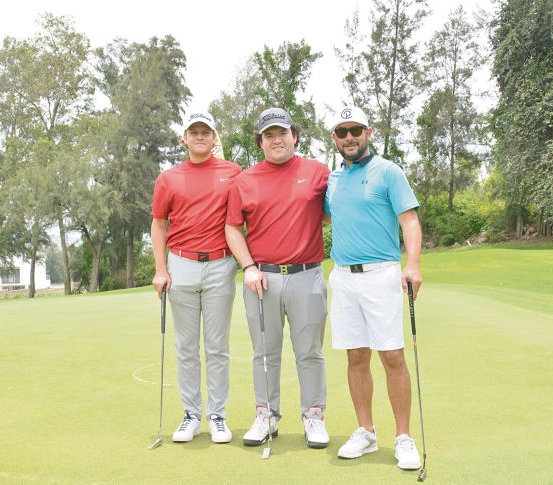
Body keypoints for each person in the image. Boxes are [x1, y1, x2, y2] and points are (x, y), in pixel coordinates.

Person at [225, 107, 331, 449]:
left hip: (308, 275)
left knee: (310, 352)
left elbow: (331, 214)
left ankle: (313, 416)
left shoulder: (317, 172)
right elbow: (232, 228)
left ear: (294, 136)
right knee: (264, 353)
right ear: (260, 142)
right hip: (262, 279)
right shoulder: (245, 181)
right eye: (269, 135)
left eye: (282, 133)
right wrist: (248, 266)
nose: (277, 140)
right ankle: (266, 415)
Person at [324, 106, 424, 469]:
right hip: (343, 277)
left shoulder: (388, 172)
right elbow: (321, 216)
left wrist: (412, 265)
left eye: (355, 130)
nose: (349, 137)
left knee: (392, 356)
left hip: (381, 273)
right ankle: (365, 431)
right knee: (356, 356)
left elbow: (409, 221)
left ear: (368, 132)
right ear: (334, 138)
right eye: (341, 132)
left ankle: (403, 437)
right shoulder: (333, 181)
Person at [150, 109, 242, 444]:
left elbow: (241, 217)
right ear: (184, 139)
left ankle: (217, 415)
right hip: (182, 265)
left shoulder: (232, 172)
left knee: (217, 347)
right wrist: (161, 269)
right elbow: (159, 224)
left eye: (206, 132)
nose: (200, 136)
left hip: (220, 265)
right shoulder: (169, 178)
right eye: (194, 132)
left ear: (214, 138)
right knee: (186, 347)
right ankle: (191, 415)